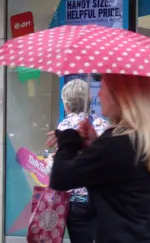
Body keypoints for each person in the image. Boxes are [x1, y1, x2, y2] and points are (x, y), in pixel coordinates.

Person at [48, 74, 150, 243]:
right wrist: (94, 143)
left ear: (119, 96)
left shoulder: (116, 144)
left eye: (103, 88)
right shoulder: (148, 138)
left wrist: (69, 139)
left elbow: (60, 177)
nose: (98, 94)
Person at [44, 79, 109, 243]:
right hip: (100, 198)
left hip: (76, 201)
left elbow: (60, 168)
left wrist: (49, 160)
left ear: (66, 104)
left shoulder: (64, 127)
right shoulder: (102, 124)